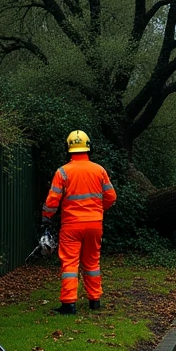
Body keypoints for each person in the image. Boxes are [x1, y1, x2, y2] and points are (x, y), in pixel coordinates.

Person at [41, 130, 117, 315]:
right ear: (88, 147)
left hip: (71, 225)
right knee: (92, 262)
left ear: (68, 148)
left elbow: (52, 201)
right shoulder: (99, 170)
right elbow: (111, 197)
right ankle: (94, 300)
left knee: (70, 263)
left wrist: (46, 218)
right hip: (94, 224)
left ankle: (69, 304)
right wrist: (98, 210)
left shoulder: (63, 172)